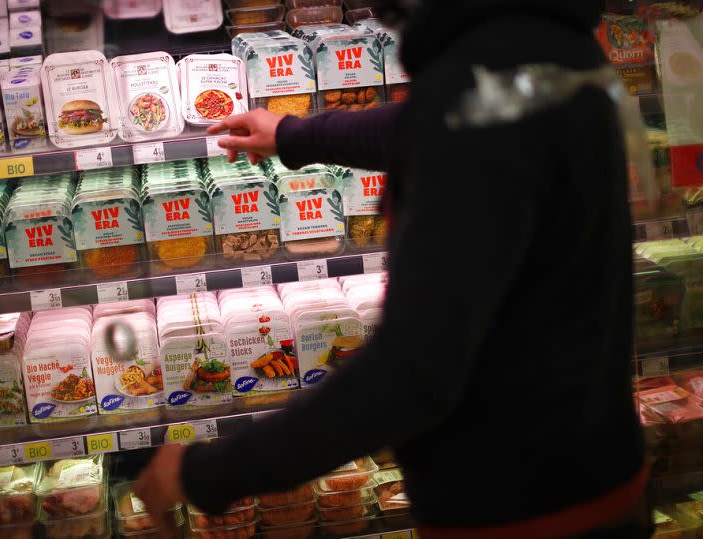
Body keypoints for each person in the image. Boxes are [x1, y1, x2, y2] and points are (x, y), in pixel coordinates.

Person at [137, 1, 653, 537]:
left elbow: (413, 374)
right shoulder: (545, 42)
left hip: (521, 512)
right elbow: (428, 126)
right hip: (594, 475)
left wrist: (209, 472)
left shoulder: (476, 86)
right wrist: (295, 135)